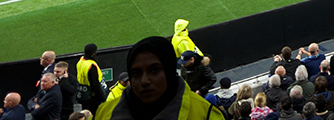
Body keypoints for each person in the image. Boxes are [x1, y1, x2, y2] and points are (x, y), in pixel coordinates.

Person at [96, 35, 225, 120]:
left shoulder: (206, 114)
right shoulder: (102, 114)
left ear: (169, 72)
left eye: (154, 70)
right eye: (136, 73)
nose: (144, 81)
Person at [77, 43, 107, 114]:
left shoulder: (81, 61)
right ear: (94, 53)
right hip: (92, 97)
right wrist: (102, 98)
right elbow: (95, 85)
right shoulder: (91, 65)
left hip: (83, 93)